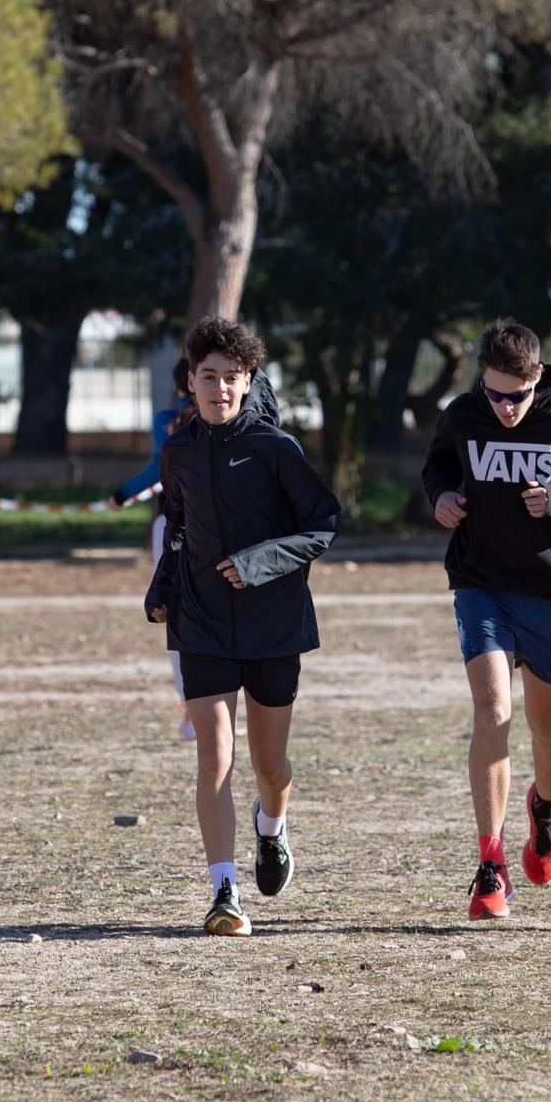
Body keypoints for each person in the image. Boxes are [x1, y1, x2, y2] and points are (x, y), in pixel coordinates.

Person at [422, 318, 551, 920]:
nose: (504, 407)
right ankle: (491, 865)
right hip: (479, 583)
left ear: (536, 378)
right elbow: (437, 468)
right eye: (494, 395)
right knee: (492, 711)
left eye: (515, 396)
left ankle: (545, 809)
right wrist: (439, 497)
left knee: (547, 728)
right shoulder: (463, 415)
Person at [145, 318, 341, 937]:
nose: (220, 389)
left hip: (272, 622)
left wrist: (259, 564)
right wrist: (161, 588)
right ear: (191, 381)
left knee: (270, 764)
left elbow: (322, 525)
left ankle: (272, 825)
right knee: (213, 758)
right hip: (201, 620)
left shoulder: (276, 448)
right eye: (209, 377)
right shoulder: (176, 451)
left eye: (232, 378)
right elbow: (176, 526)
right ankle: (223, 892)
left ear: (249, 381)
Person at [112, 357, 198, 739]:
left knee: (177, 616)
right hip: (221, 532)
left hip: (173, 527)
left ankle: (192, 710)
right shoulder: (239, 422)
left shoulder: (168, 421)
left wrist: (122, 495)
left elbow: (156, 470)